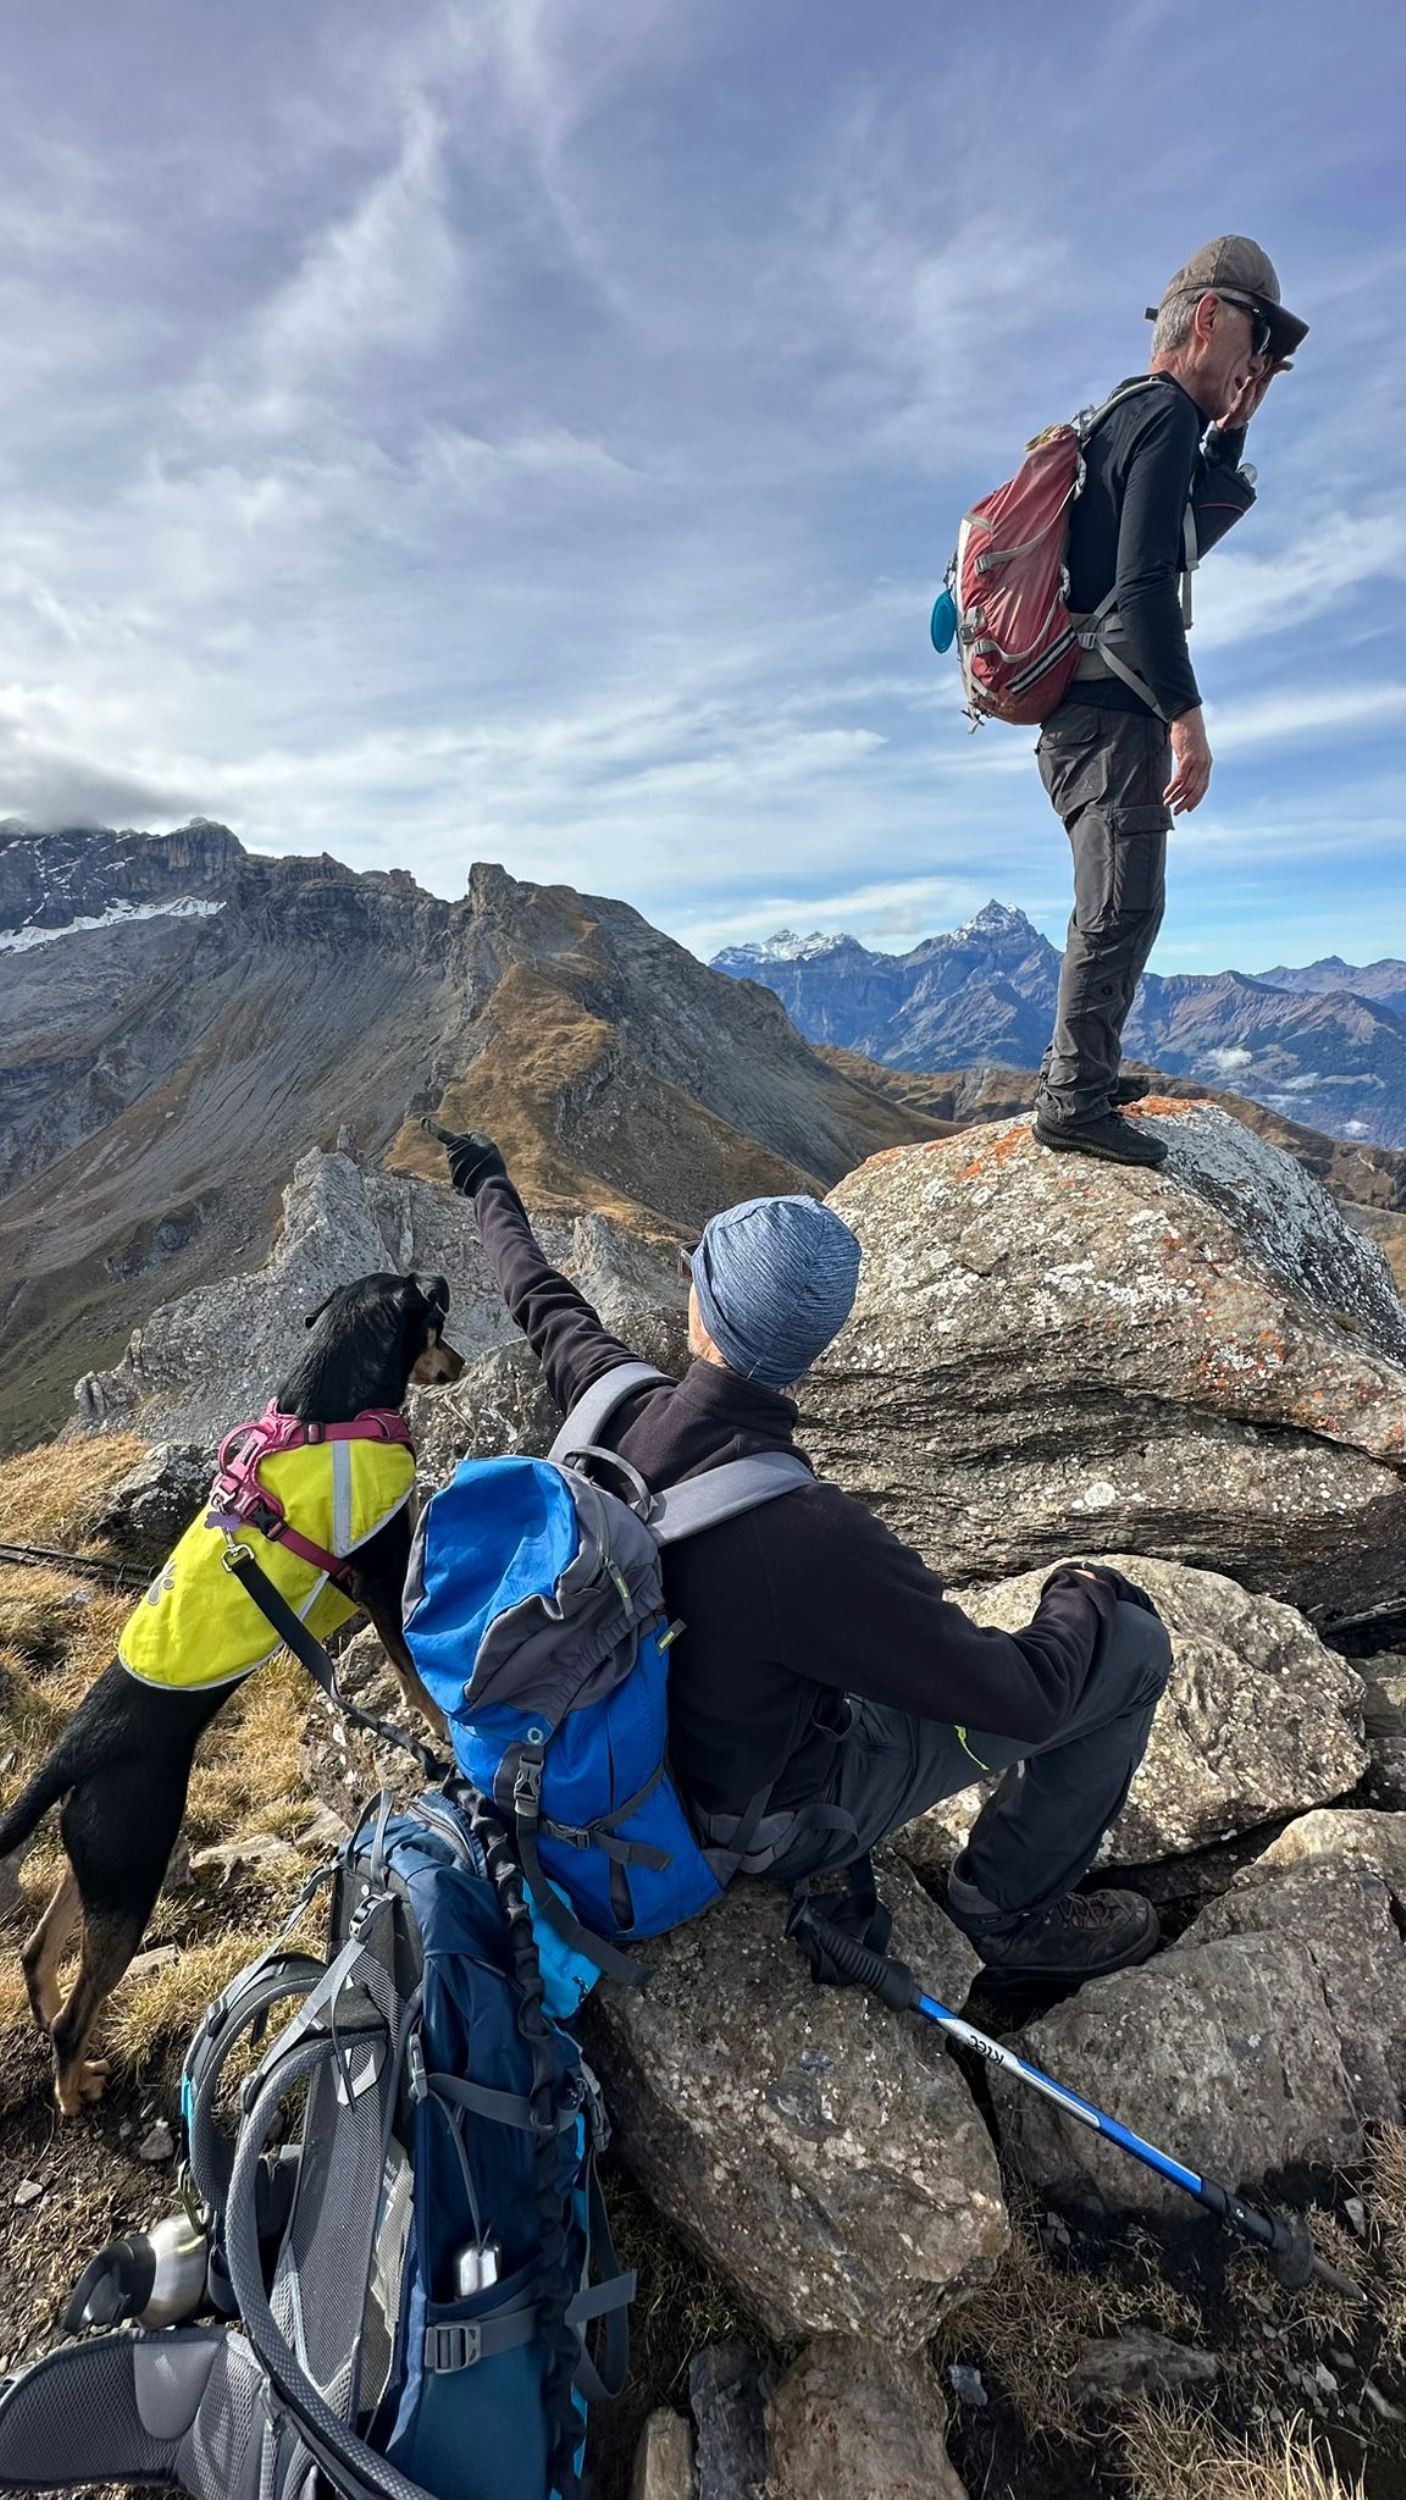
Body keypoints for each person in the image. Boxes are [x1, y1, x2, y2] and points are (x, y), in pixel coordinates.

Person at [436, 1125, 1175, 1984]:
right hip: (750, 1826)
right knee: (1131, 1650)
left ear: (698, 1304)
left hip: (589, 1765)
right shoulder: (813, 1538)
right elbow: (1020, 1700)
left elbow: (540, 1295)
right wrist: (1083, 1594)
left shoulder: (608, 1405)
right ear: (812, 1347)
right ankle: (1006, 1913)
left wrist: (490, 1181)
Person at [1032, 237, 1307, 1168]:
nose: (1257, 361)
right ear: (1205, 317)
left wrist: (1233, 428)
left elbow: (1185, 535)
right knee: (1120, 904)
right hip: (1111, 718)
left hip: (1090, 715)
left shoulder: (1134, 418)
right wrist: (1189, 721)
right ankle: (1072, 1100)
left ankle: (1089, 1073)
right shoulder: (1159, 417)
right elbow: (1147, 587)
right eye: (1254, 334)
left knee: (1122, 899)